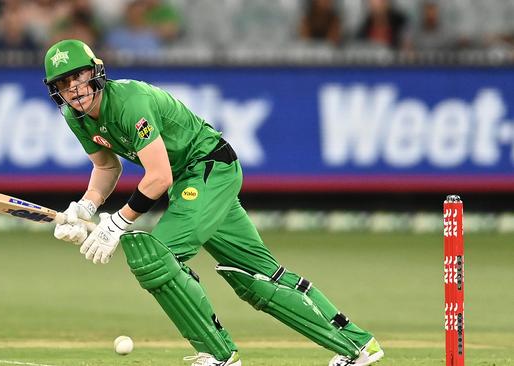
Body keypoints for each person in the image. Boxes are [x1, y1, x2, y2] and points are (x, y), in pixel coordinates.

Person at [43, 39, 384, 366]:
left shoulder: (130, 102)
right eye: (63, 82)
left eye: (78, 76)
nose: (74, 88)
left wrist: (117, 223)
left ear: (95, 72)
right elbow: (105, 166)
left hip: (209, 168)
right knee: (254, 277)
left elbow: (158, 177)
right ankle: (358, 345)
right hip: (194, 181)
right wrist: (86, 207)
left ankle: (220, 356)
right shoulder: (76, 117)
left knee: (156, 257)